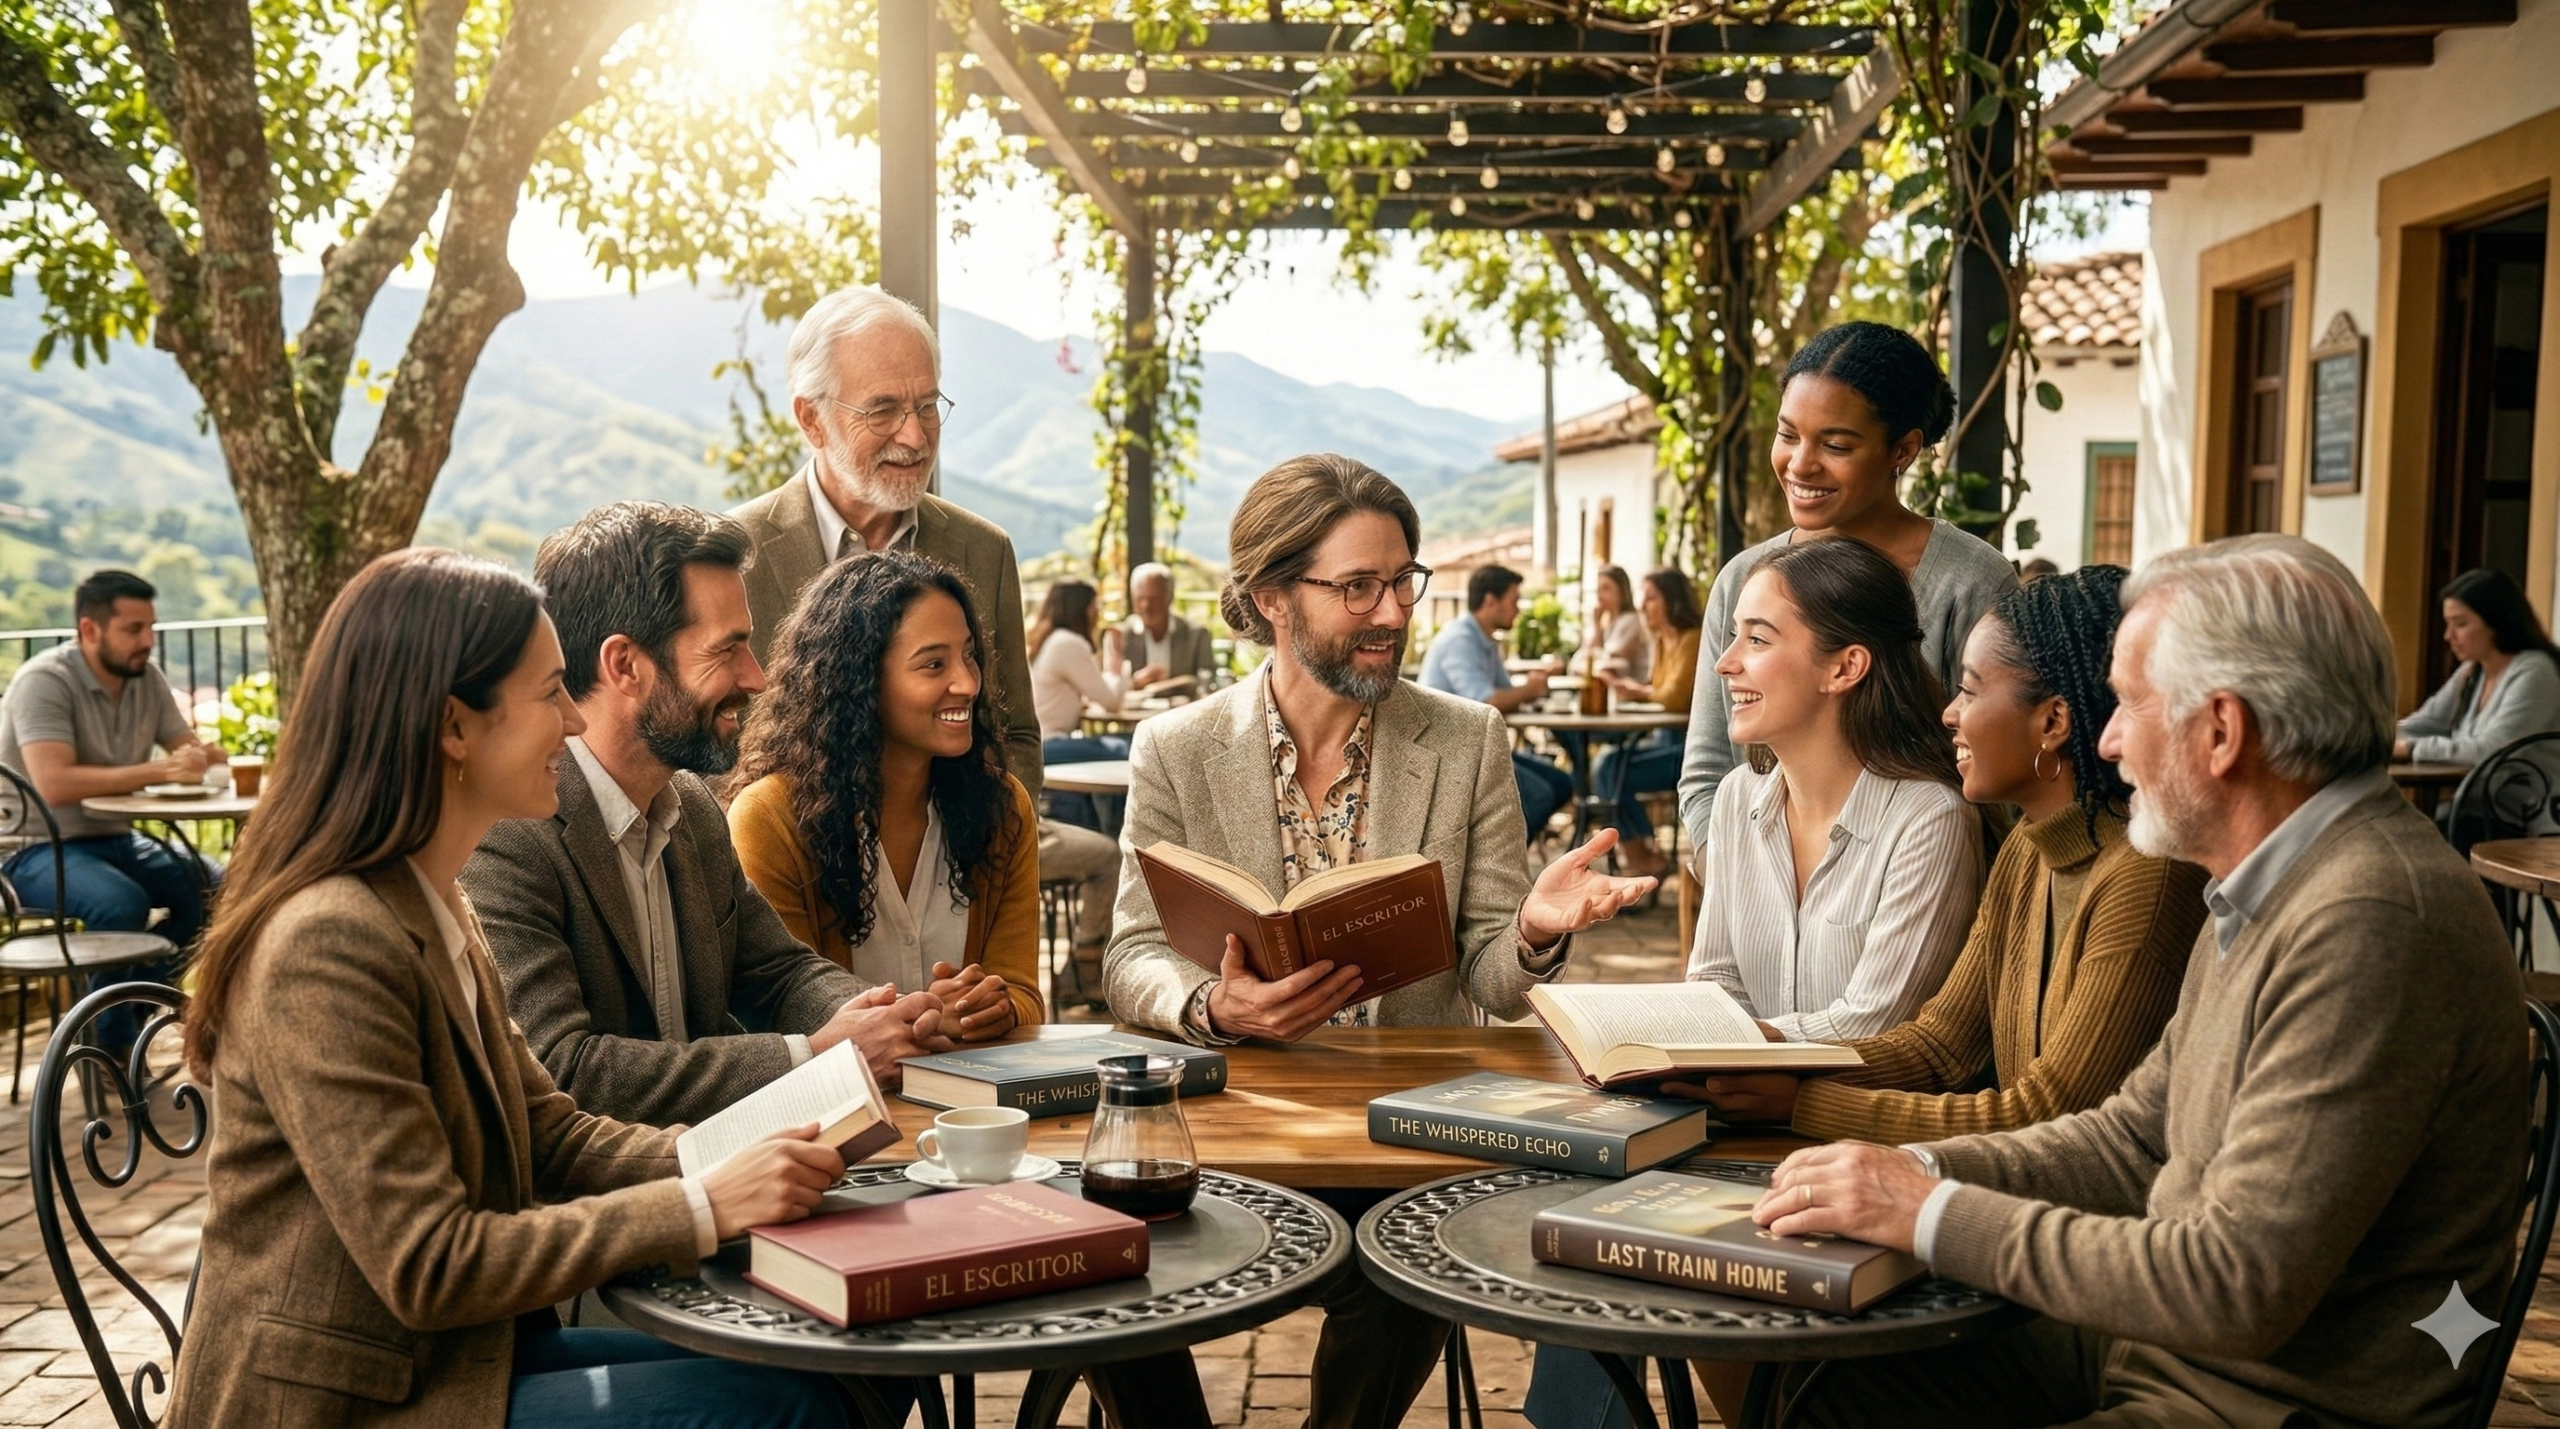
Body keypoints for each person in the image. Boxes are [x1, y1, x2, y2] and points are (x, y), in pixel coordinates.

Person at [1756, 535, 2529, 1429]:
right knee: (1793, 1360)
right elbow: (2131, 1138)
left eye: (2128, 703)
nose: (2109, 736)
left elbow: (2233, 1285)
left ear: (2221, 731)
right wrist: (1912, 1167)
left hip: (2266, 1403)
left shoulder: (2369, 919)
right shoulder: (2269, 881)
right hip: (2157, 1354)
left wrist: (1930, 1210)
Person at [165, 549, 853, 1428]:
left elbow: (550, 1131)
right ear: (455, 726)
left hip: (458, 1358)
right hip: (349, 1401)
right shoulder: (328, 940)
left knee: (831, 1373)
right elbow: (431, 1262)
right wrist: (701, 1204)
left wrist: (742, 1156)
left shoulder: (431, 898)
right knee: (782, 1407)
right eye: (551, 692)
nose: (575, 720)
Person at [1104, 454, 1655, 1429]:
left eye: (1404, 580)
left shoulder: (1466, 739)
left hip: (1409, 1131)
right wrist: (1213, 1004)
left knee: (1413, 1255)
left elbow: (1492, 979)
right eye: (1358, 586)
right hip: (1237, 1122)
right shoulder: (1177, 748)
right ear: (1273, 596)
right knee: (1102, 1243)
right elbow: (1132, 954)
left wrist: (1532, 931)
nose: (1393, 612)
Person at [1682, 565, 2208, 1142]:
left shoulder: (2145, 877)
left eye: (1970, 691)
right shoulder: (2028, 850)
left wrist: (1801, 1101)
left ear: (2053, 721)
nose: (1949, 713)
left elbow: (2048, 1114)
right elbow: (1939, 1046)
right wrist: (1767, 1051)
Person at [466, 503, 952, 1125]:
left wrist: (891, 1015)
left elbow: (777, 972)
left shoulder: (691, 805)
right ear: (625, 666)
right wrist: (812, 1057)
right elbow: (561, 1070)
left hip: (739, 1162)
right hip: (627, 1183)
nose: (756, 678)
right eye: (728, 650)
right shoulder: (507, 834)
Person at [1678, 322, 2017, 858]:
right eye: (1788, 435)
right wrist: (1745, 881)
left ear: (1903, 450)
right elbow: (1707, 776)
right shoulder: (1744, 580)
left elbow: (2004, 774)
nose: (1800, 464)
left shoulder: (1969, 582)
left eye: (1835, 444)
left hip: (1927, 883)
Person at [729, 285, 1040, 793]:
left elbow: (1016, 738)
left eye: (927, 406)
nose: (915, 437)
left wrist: (968, 832)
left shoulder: (984, 551)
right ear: (811, 419)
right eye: (882, 411)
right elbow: (703, 752)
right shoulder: (734, 556)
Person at [729, 550, 1042, 1037]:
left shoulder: (1002, 807)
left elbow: (1024, 995)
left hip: (973, 1087)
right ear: (860, 680)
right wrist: (921, 1019)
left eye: (969, 656)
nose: (967, 683)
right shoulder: (769, 819)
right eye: (934, 664)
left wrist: (994, 1008)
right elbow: (779, 1010)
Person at [1684, 537, 1983, 1043]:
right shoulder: (1736, 798)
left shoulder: (1929, 818)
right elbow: (1714, 981)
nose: (1725, 663)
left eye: (1757, 640)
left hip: (1857, 1097)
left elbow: (1874, 1023)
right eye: (1734, 636)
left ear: (1845, 667)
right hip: (1739, 1088)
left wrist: (1729, 1045)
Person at [0, 570, 220, 975]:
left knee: (218, 889)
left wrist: (205, 757)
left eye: (151, 628)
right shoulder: (44, 681)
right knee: (120, 902)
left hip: (117, 839)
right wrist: (161, 771)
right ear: (89, 630)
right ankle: (108, 1017)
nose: (148, 641)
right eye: (134, 630)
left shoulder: (146, 678)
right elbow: (55, 785)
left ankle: (138, 998)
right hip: (33, 847)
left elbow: (186, 747)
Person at [1417, 564, 1576, 844]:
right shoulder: (1460, 640)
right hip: (1449, 752)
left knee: (1561, 783)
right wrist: (1530, 689)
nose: (1518, 610)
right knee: (1538, 795)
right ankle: (1499, 863)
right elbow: (1487, 701)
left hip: (1478, 747)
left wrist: (1529, 688)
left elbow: (1505, 695)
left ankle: (1506, 857)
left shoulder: (1486, 641)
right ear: (1491, 601)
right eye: (1514, 601)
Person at [1590, 567, 1703, 878]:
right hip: (1663, 740)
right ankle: (1641, 852)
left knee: (1610, 768)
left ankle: (1641, 855)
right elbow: (1659, 691)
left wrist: (1635, 690)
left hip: (1686, 750)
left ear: (1671, 600)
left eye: (1651, 597)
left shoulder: (1692, 639)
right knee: (1607, 763)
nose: (1642, 605)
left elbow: (1674, 698)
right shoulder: (1663, 641)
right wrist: (1639, 691)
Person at [2394, 566, 2560, 767]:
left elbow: (2494, 750)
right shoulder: (2472, 670)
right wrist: (2375, 740)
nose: (2448, 635)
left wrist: (2412, 748)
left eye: (2460, 624)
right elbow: (2422, 725)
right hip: (2474, 787)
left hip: (2525, 788)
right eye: (2448, 624)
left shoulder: (2536, 672)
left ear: (2496, 623)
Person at [1029, 577, 1135, 832]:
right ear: (1082, 608)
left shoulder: (1051, 640)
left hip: (1042, 744)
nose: (1097, 612)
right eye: (1094, 605)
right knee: (1136, 744)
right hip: (1049, 745)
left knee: (1127, 745)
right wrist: (1117, 660)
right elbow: (1111, 701)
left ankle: (1113, 828)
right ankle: (1122, 829)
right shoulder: (1068, 643)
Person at [1124, 560, 1217, 684]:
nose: (1146, 606)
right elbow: (1109, 684)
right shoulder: (1122, 635)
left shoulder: (1196, 634)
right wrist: (1134, 682)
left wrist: (1172, 684)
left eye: (1153, 599)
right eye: (1140, 599)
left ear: (1169, 597)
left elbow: (1207, 678)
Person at [1565, 564, 1649, 682]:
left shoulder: (1631, 621)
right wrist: (1597, 626)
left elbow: (1609, 661)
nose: (1599, 595)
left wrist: (1588, 664)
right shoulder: (1603, 623)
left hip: (1632, 688)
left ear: (1621, 591)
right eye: (1598, 589)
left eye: (1606, 589)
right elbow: (1583, 659)